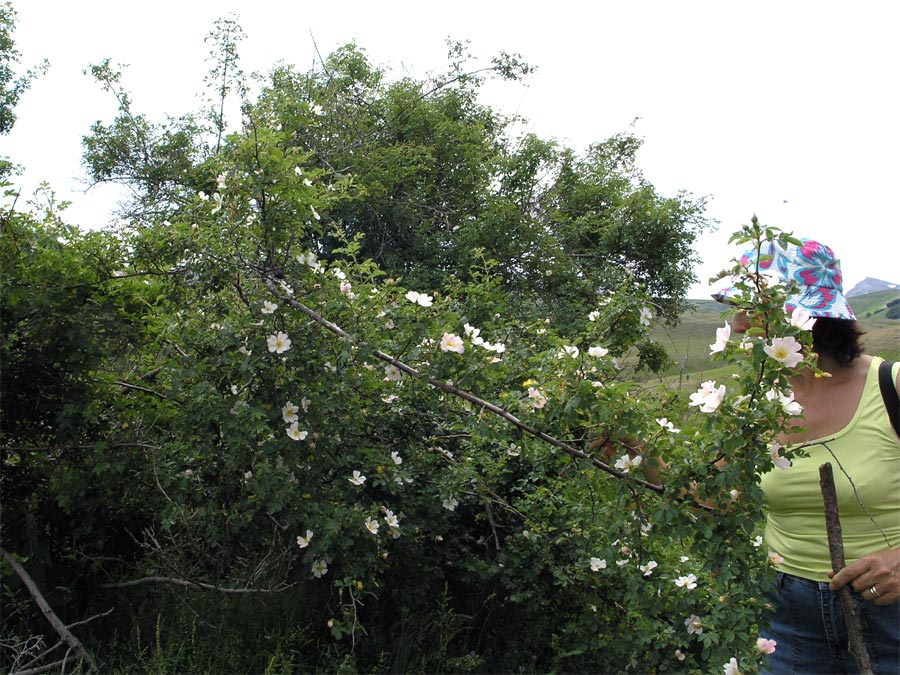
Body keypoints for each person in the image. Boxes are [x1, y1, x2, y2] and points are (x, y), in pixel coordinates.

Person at [713, 237, 900, 674]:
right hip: (789, 619)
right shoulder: (756, 406)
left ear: (804, 317)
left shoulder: (890, 388)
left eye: (750, 308)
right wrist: (633, 449)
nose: (738, 325)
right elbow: (717, 496)